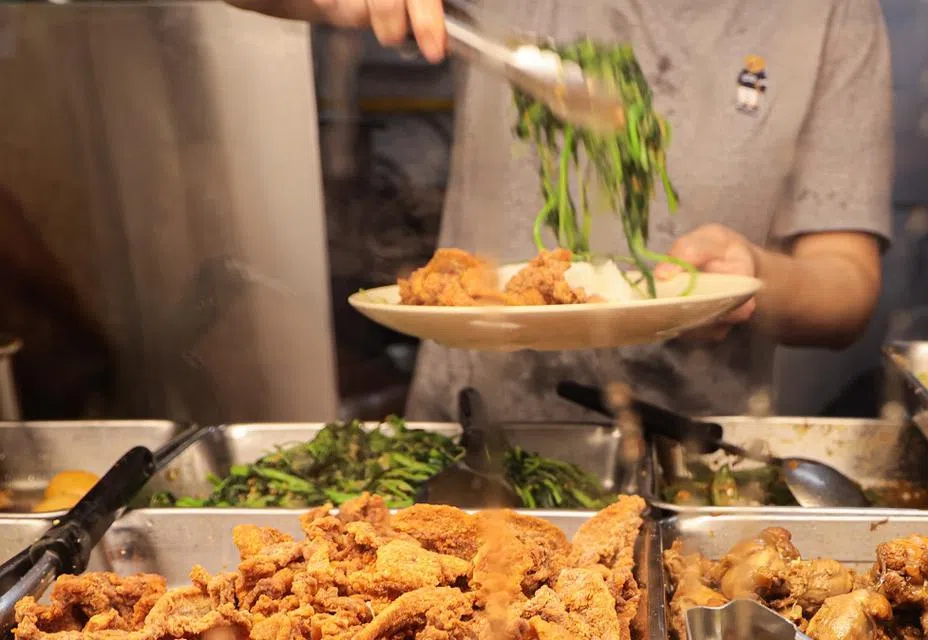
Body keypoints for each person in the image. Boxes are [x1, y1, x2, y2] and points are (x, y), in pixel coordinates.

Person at [228, 0, 893, 420]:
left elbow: (847, 285)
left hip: (685, 453)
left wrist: (752, 277)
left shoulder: (832, 14)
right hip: (471, 433)